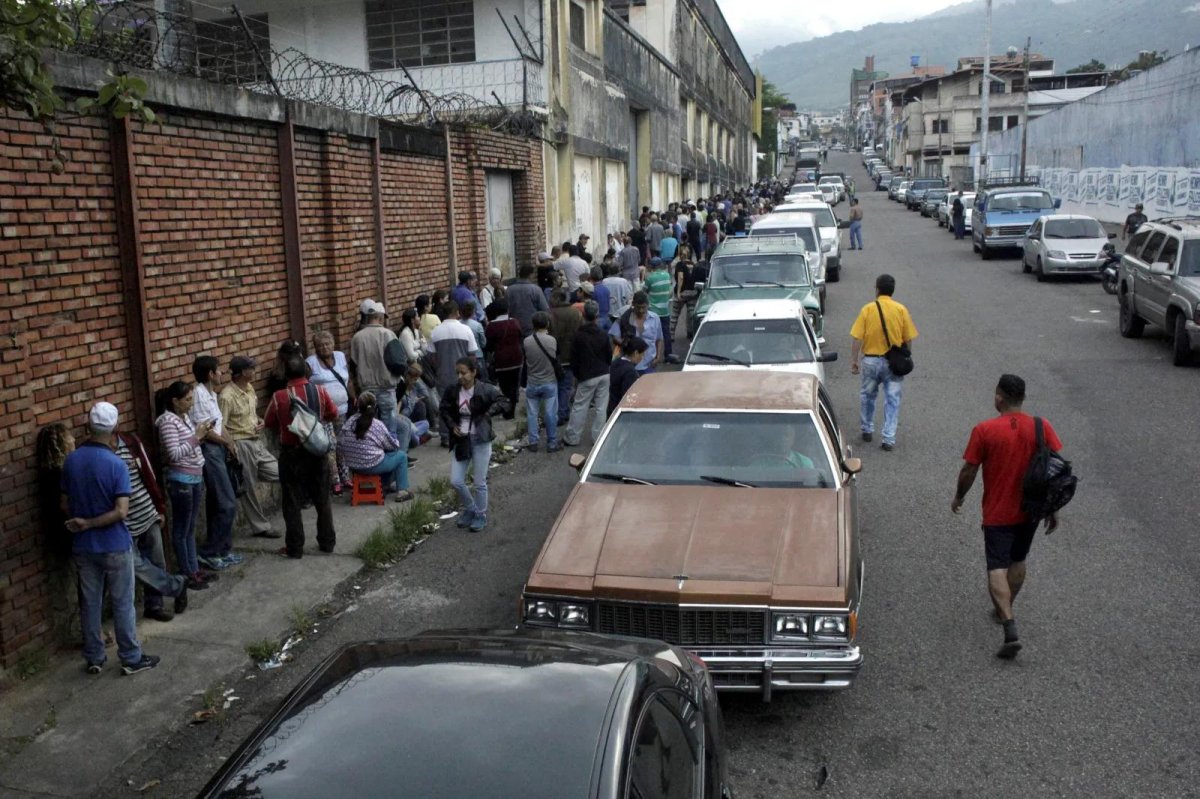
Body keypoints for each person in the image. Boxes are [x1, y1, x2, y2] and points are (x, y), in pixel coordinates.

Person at [951, 374, 1064, 660]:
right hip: (1031, 510)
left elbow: (969, 470)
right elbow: (1055, 470)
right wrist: (1053, 508)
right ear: (1022, 398)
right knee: (1018, 560)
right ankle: (1005, 608)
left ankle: (1009, 624)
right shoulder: (1042, 426)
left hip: (998, 511)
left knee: (997, 567)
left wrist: (960, 496)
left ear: (999, 397)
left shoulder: (985, 430)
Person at [62, 402, 159, 675]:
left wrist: (82, 522)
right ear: (115, 428)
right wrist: (92, 522)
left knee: (90, 603)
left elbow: (64, 502)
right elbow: (121, 511)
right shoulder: (116, 464)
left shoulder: (72, 460)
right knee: (122, 603)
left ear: (87, 426)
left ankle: (94, 656)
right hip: (115, 544)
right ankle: (130, 656)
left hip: (83, 546)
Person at [264, 356, 339, 558]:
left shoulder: (279, 396)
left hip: (291, 455)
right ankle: (327, 543)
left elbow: (269, 421)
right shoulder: (320, 391)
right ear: (307, 373)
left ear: (285, 375)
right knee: (322, 499)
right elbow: (333, 413)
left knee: (291, 503)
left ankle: (295, 548)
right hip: (316, 453)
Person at [114, 427, 189, 621]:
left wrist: (160, 506)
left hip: (146, 511)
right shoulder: (99, 455)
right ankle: (176, 585)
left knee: (156, 560)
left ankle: (154, 605)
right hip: (122, 520)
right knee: (133, 564)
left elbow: (148, 473)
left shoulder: (130, 442)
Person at [439, 356, 510, 532]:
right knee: (456, 481)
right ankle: (470, 508)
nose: (460, 377)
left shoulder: (485, 389)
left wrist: (488, 414)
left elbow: (504, 402)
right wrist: (451, 426)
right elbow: (444, 409)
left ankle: (480, 514)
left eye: (464, 373)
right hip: (462, 440)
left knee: (479, 482)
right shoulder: (453, 391)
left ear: (473, 372)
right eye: (458, 373)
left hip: (480, 441)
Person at [849, 274, 918, 451]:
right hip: (892, 362)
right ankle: (888, 438)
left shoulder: (868, 309)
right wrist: (906, 355)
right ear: (892, 290)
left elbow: (857, 337)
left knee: (867, 395)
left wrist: (854, 360)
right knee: (892, 399)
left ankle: (867, 428)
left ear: (877, 289)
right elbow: (908, 338)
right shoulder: (901, 309)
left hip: (871, 360)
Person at [155, 382, 213, 590]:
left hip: (195, 475)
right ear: (175, 401)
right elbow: (174, 454)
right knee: (182, 528)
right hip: (181, 479)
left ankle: (194, 568)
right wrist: (196, 437)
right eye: (187, 400)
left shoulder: (184, 417)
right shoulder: (167, 422)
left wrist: (200, 434)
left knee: (190, 527)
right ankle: (186, 572)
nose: (191, 404)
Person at [217, 355, 282, 536]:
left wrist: (260, 421)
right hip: (241, 444)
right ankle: (260, 527)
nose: (254, 371)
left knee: (281, 472)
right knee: (249, 488)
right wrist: (231, 447)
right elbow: (220, 425)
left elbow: (250, 415)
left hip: (256, 441)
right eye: (251, 368)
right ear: (241, 373)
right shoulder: (227, 396)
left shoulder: (250, 388)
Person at [189, 355, 241, 571]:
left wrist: (231, 443)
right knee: (227, 502)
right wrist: (224, 443)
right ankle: (210, 552)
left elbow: (219, 424)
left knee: (217, 502)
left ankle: (222, 549)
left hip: (219, 449)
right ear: (210, 373)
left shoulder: (211, 394)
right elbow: (205, 431)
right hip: (210, 451)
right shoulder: (199, 395)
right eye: (218, 370)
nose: (221, 374)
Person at [338, 391, 413, 503]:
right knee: (401, 457)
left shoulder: (349, 422)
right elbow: (393, 445)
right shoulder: (377, 424)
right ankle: (402, 491)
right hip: (372, 465)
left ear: (358, 406)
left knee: (385, 456)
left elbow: (341, 441)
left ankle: (384, 485)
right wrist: (394, 438)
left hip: (353, 465)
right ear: (375, 406)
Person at [306, 334, 353, 495]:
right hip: (323, 412)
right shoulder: (311, 362)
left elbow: (348, 379)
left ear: (333, 344)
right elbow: (307, 386)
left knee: (342, 442)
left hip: (342, 409)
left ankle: (346, 476)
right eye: (320, 345)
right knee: (330, 444)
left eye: (327, 344)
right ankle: (335, 480)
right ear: (316, 347)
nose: (324, 347)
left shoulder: (340, 356)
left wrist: (353, 397)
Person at [350, 301, 403, 438]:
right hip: (386, 387)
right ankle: (390, 454)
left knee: (369, 427)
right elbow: (398, 363)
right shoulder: (388, 335)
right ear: (380, 318)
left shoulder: (357, 337)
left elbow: (354, 364)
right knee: (389, 428)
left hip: (366, 389)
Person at [565, 301, 612, 447]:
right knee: (601, 407)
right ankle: (598, 437)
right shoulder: (603, 334)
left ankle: (573, 437)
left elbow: (574, 358)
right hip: (603, 373)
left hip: (587, 375)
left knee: (580, 406)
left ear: (584, 315)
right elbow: (609, 355)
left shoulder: (579, 335)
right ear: (597, 316)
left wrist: (578, 375)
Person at [523, 311, 561, 452]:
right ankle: (551, 442)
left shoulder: (526, 341)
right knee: (550, 413)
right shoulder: (552, 340)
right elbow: (556, 356)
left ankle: (533, 441)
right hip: (549, 382)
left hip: (532, 382)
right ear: (547, 324)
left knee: (532, 413)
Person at [484, 298, 523, 417]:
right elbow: (520, 337)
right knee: (515, 384)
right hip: (516, 358)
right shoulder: (515, 322)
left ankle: (507, 408)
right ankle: (512, 408)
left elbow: (489, 345)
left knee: (504, 386)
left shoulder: (491, 326)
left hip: (501, 361)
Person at [609, 291, 664, 374]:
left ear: (648, 305)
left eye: (643, 307)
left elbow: (659, 339)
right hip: (630, 366)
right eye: (638, 307)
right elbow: (614, 336)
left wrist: (658, 357)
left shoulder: (655, 318)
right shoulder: (625, 318)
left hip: (649, 365)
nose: (641, 310)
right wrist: (626, 344)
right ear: (633, 304)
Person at [549, 289, 581, 426]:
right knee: (566, 386)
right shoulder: (576, 313)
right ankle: (563, 411)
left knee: (555, 386)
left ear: (556, 299)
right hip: (571, 354)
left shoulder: (550, 315)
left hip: (554, 356)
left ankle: (557, 413)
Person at [506, 263, 550, 337]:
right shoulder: (536, 289)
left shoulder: (509, 290)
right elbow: (545, 309)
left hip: (513, 326)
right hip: (531, 327)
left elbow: (506, 309)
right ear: (530, 275)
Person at [607, 337, 647, 415]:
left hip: (610, 407)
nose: (642, 358)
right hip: (620, 413)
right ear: (636, 353)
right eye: (642, 354)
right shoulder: (630, 372)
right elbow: (628, 397)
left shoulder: (616, 362)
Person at [644, 258, 673, 359]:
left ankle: (654, 355)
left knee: (653, 334)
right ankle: (668, 354)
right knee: (666, 333)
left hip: (653, 311)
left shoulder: (650, 278)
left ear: (651, 267)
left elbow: (644, 292)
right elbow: (670, 292)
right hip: (665, 310)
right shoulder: (667, 275)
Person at [672, 258, 698, 341]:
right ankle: (691, 333)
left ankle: (671, 334)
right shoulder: (693, 264)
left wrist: (679, 291)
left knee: (675, 315)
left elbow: (681, 277)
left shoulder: (680, 264)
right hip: (692, 293)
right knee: (691, 314)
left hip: (682, 293)